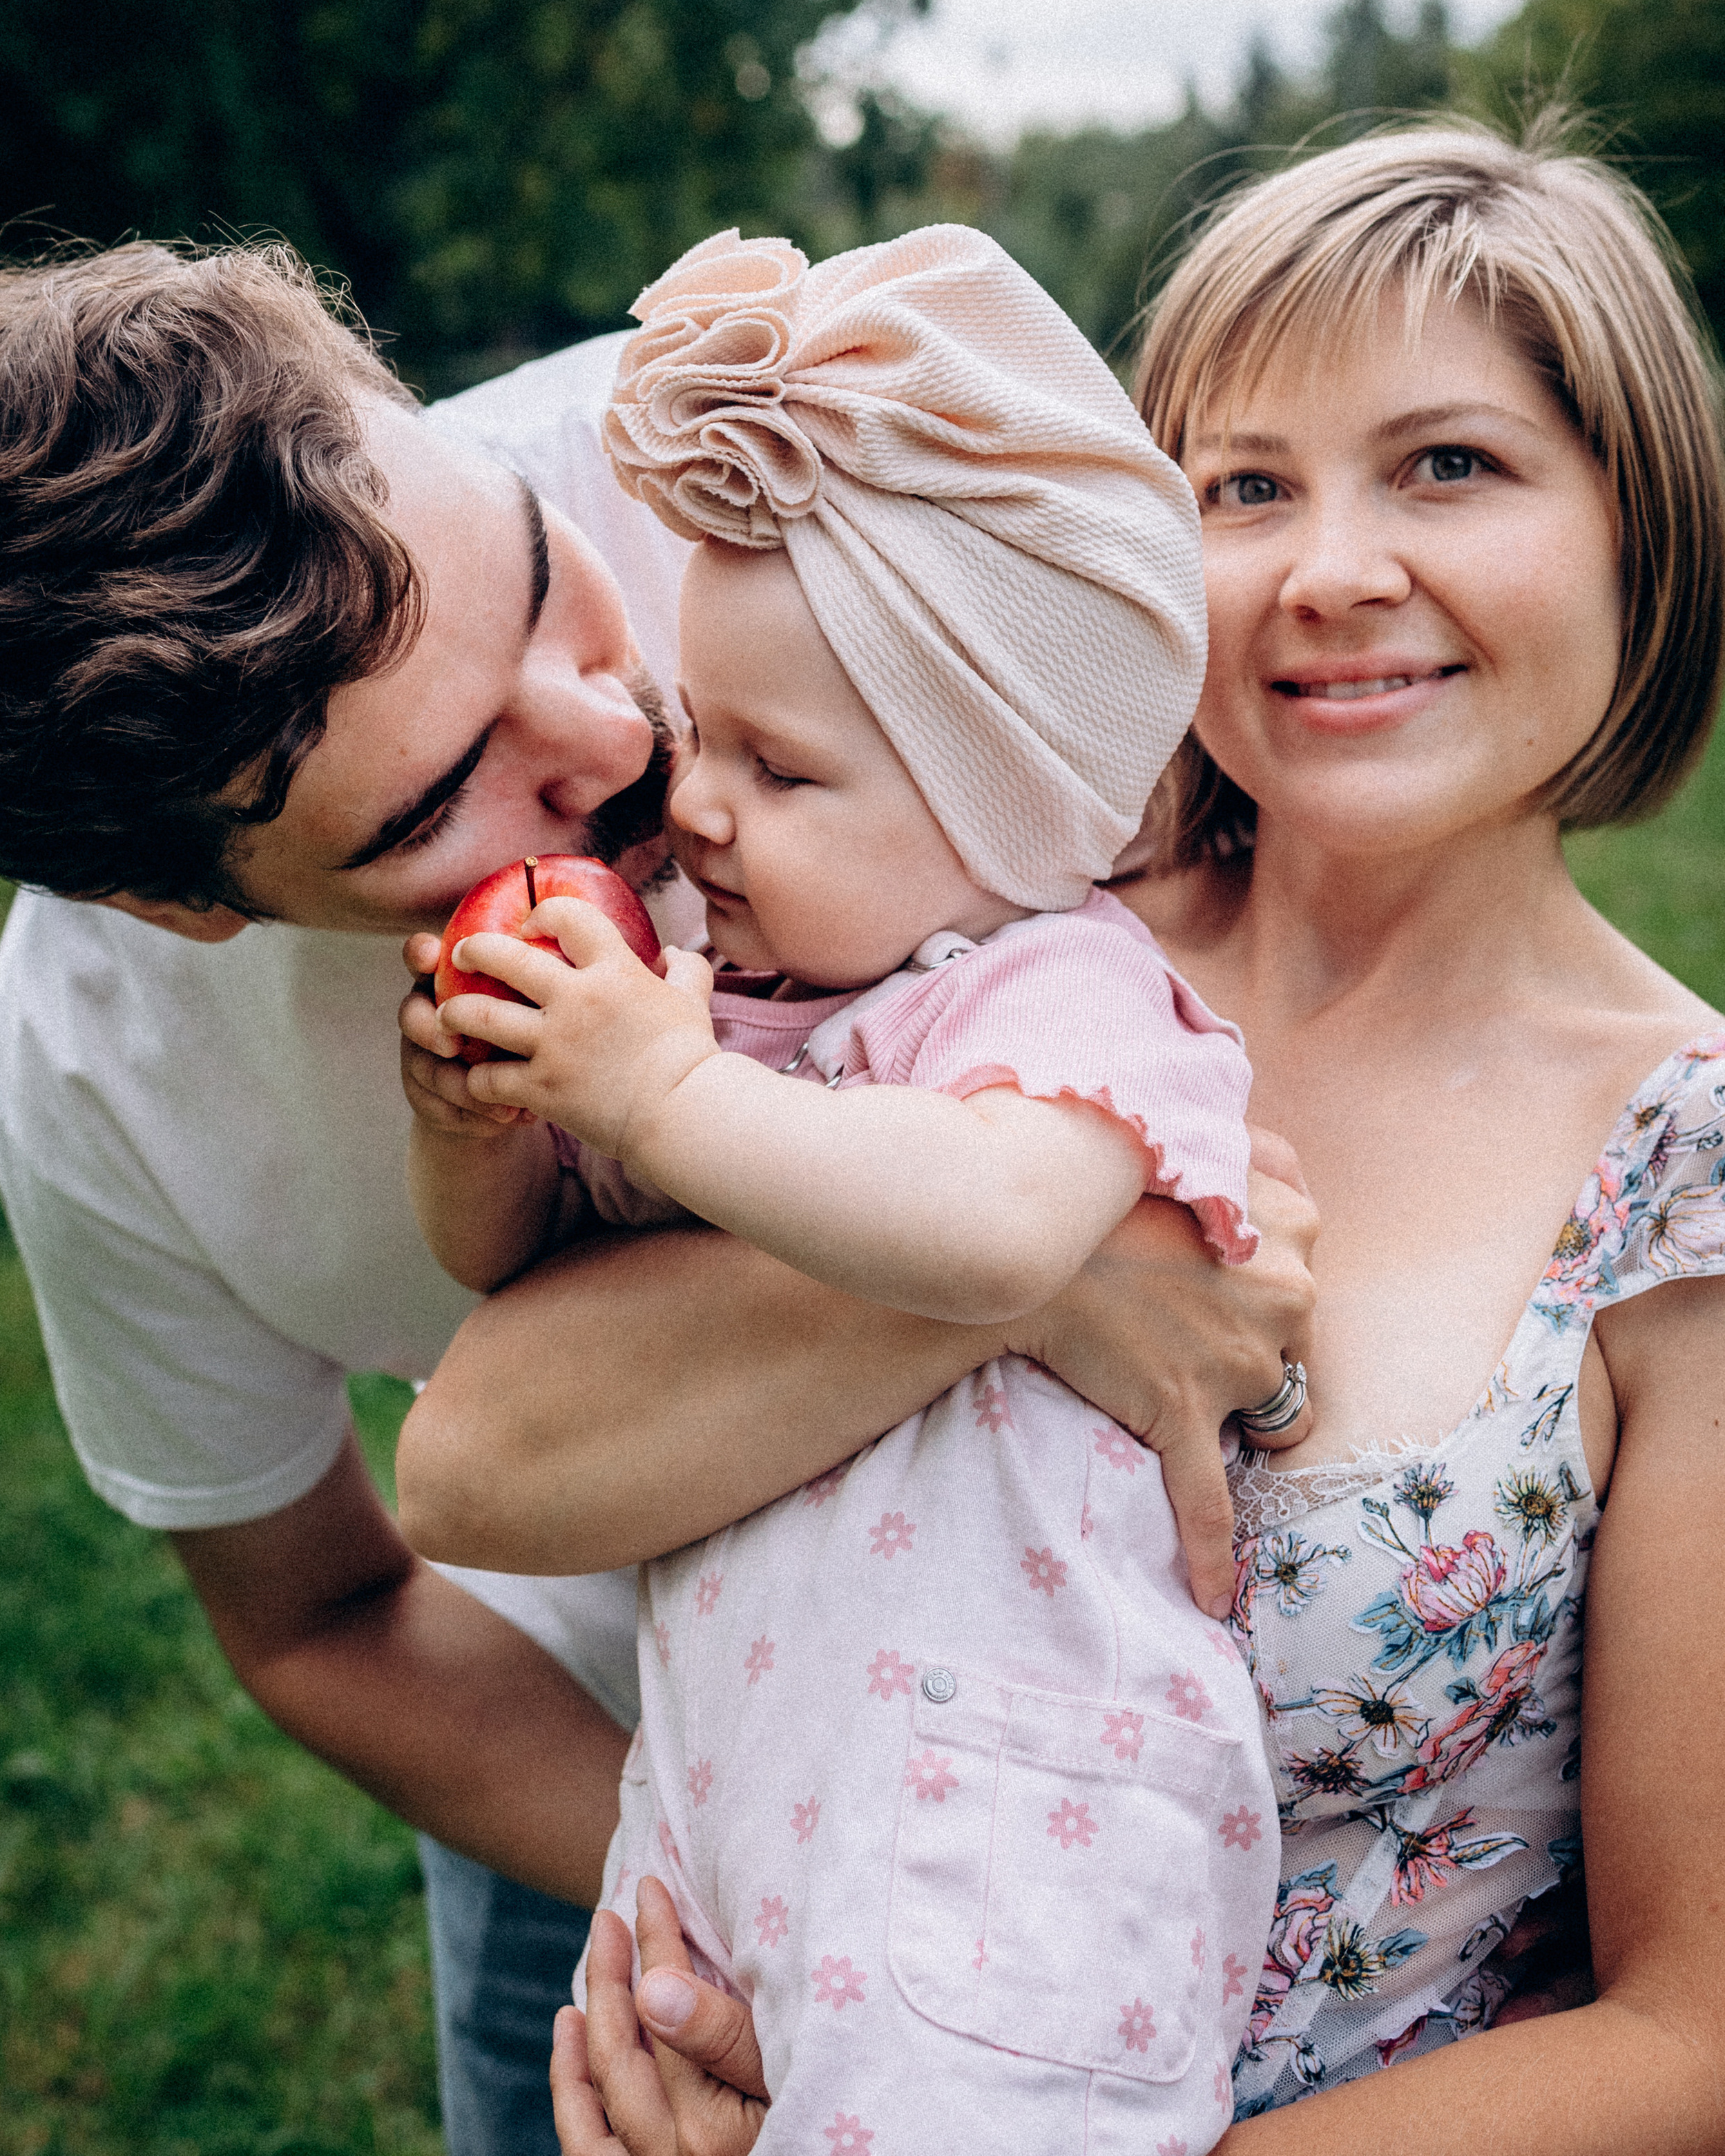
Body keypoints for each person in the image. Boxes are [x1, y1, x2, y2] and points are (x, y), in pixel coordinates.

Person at [391, 120, 1725, 2156]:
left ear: (1645, 532)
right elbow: (480, 1466)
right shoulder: (945, 938)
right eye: (1245, 486)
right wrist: (1047, 1281)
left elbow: (1686, 2036)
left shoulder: (1683, 1163)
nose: (1333, 568)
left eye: (1451, 464)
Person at [0, 242, 1316, 2154]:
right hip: (629, 1735)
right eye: (438, 805)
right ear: (184, 901)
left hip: (1092, 1699)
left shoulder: (741, 468)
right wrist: (705, 1899)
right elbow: (322, 1614)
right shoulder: (98, 1079)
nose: (621, 744)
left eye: (538, 583)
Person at [404, 225, 1284, 2152]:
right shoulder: (746, 1013)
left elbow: (992, 1231)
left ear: (1014, 815)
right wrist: (484, 1132)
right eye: (705, 732)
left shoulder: (1063, 992)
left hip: (1011, 1831)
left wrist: (649, 1086)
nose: (695, 802)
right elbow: (515, 1277)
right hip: (731, 1792)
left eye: (782, 773)